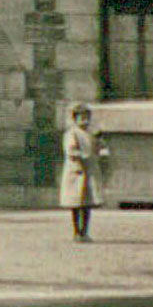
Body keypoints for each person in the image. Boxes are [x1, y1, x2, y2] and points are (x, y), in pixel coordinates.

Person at [59, 100, 102, 241]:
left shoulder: (90, 134)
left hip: (88, 173)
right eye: (81, 117)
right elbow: (71, 151)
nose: (84, 120)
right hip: (77, 173)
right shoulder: (72, 134)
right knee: (76, 203)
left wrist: (100, 148)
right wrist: (82, 156)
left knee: (87, 204)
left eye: (86, 117)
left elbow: (97, 148)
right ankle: (77, 231)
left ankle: (85, 231)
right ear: (75, 119)